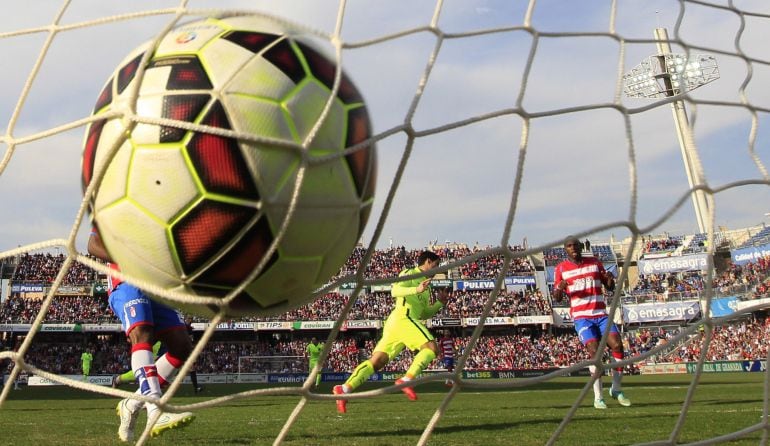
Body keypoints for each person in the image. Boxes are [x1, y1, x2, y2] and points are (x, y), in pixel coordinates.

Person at [88, 230, 195, 441]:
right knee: (142, 333)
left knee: (181, 346)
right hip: (126, 281)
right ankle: (155, 410)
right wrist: (128, 260)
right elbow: (92, 244)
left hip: (155, 284)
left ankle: (132, 402)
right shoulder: (112, 204)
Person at [333, 250, 450, 413]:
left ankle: (344, 389)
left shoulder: (426, 287)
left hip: (400, 323)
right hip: (403, 318)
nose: (436, 269)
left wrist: (439, 303)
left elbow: (423, 313)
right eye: (436, 265)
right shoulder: (409, 273)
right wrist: (416, 289)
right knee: (431, 348)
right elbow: (395, 291)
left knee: (377, 361)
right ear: (428, 261)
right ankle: (406, 379)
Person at [552, 236, 630, 410]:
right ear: (565, 249)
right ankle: (598, 397)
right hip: (582, 317)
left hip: (601, 314)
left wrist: (610, 279)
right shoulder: (561, 269)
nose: (573, 248)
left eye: (576, 245)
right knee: (594, 353)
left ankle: (616, 389)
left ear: (581, 247)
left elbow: (608, 286)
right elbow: (556, 298)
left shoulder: (594, 262)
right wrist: (559, 288)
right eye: (569, 246)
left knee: (617, 346)